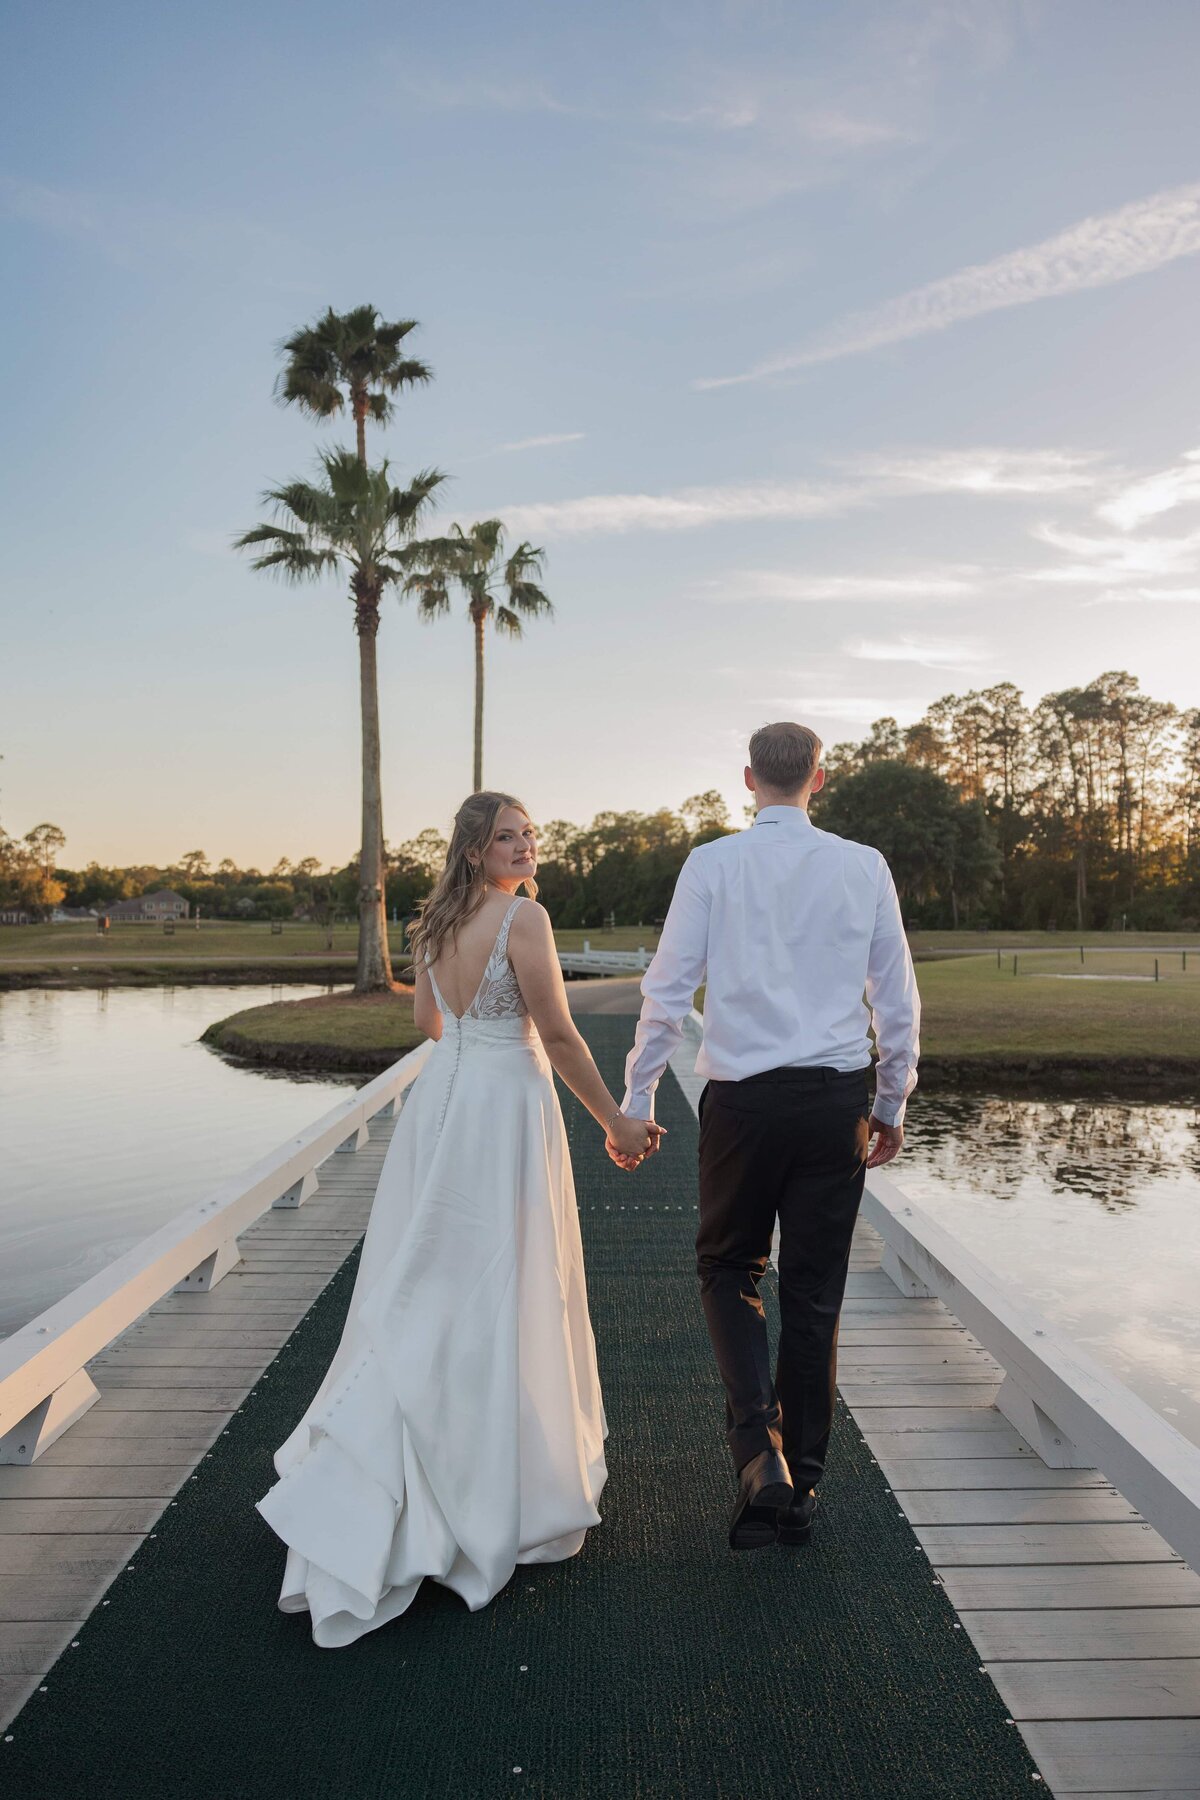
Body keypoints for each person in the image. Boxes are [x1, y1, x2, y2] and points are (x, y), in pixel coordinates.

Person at [255, 791, 663, 1645]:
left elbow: (429, 1022)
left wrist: (472, 1056)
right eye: (507, 837)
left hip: (447, 1101)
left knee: (434, 1277)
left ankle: (406, 1455)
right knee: (502, 1279)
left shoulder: (436, 922)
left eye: (528, 834)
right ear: (476, 851)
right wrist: (616, 1123)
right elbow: (555, 1033)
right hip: (507, 1105)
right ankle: (484, 1479)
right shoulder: (526, 919)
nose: (524, 846)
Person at [619, 723, 920, 1550]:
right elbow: (896, 1000)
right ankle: (805, 1480)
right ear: (818, 778)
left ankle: (761, 1455)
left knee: (728, 1266)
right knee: (814, 1290)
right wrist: (891, 1102)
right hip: (834, 1102)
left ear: (749, 778)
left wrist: (640, 1094)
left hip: (743, 1105)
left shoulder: (714, 864)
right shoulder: (863, 866)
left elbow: (669, 987)